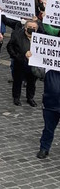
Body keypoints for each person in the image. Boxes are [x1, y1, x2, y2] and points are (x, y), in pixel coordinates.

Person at [38, 22, 60, 159]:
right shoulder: (49, 62)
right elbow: (36, 72)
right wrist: (30, 57)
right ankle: (44, 148)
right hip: (51, 102)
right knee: (48, 128)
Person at [7, 19, 39, 107]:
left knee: (32, 83)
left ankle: (30, 98)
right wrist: (16, 56)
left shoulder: (40, 38)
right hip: (20, 63)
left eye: (34, 28)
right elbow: (10, 46)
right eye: (29, 27)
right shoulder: (17, 35)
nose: (32, 29)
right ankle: (16, 98)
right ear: (25, 28)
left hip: (33, 65)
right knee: (17, 81)